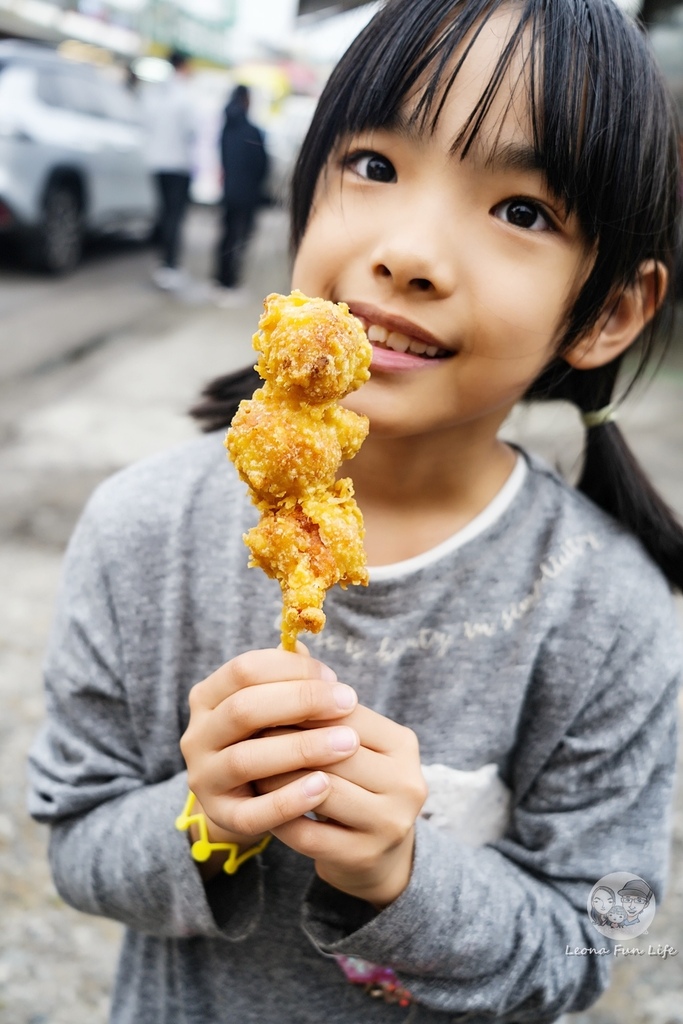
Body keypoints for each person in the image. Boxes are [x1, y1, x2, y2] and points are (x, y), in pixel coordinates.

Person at [27, 1, 683, 1021]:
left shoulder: (609, 614)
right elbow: (75, 845)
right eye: (374, 165)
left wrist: (406, 874)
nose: (409, 251)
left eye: (520, 211)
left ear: (604, 312)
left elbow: (614, 925)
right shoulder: (142, 529)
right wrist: (205, 818)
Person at [141, 50, 195, 291]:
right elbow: (191, 131)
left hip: (156, 161)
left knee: (163, 213)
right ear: (183, 66)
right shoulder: (184, 94)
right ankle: (169, 265)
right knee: (174, 215)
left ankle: (162, 261)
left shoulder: (155, 93)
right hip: (178, 163)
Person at [213, 84, 269, 307]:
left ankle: (220, 280)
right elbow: (261, 163)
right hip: (247, 193)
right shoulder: (251, 130)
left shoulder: (226, 128)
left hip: (229, 190)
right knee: (240, 238)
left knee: (226, 235)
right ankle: (231, 283)